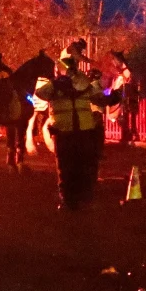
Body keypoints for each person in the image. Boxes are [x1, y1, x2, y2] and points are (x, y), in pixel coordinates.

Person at [34, 53, 106, 211]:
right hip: (67, 131)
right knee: (68, 168)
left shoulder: (84, 83)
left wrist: (110, 97)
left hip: (78, 131)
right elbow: (39, 94)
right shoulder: (56, 84)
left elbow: (99, 98)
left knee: (80, 167)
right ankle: (69, 200)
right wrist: (56, 84)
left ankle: (80, 200)